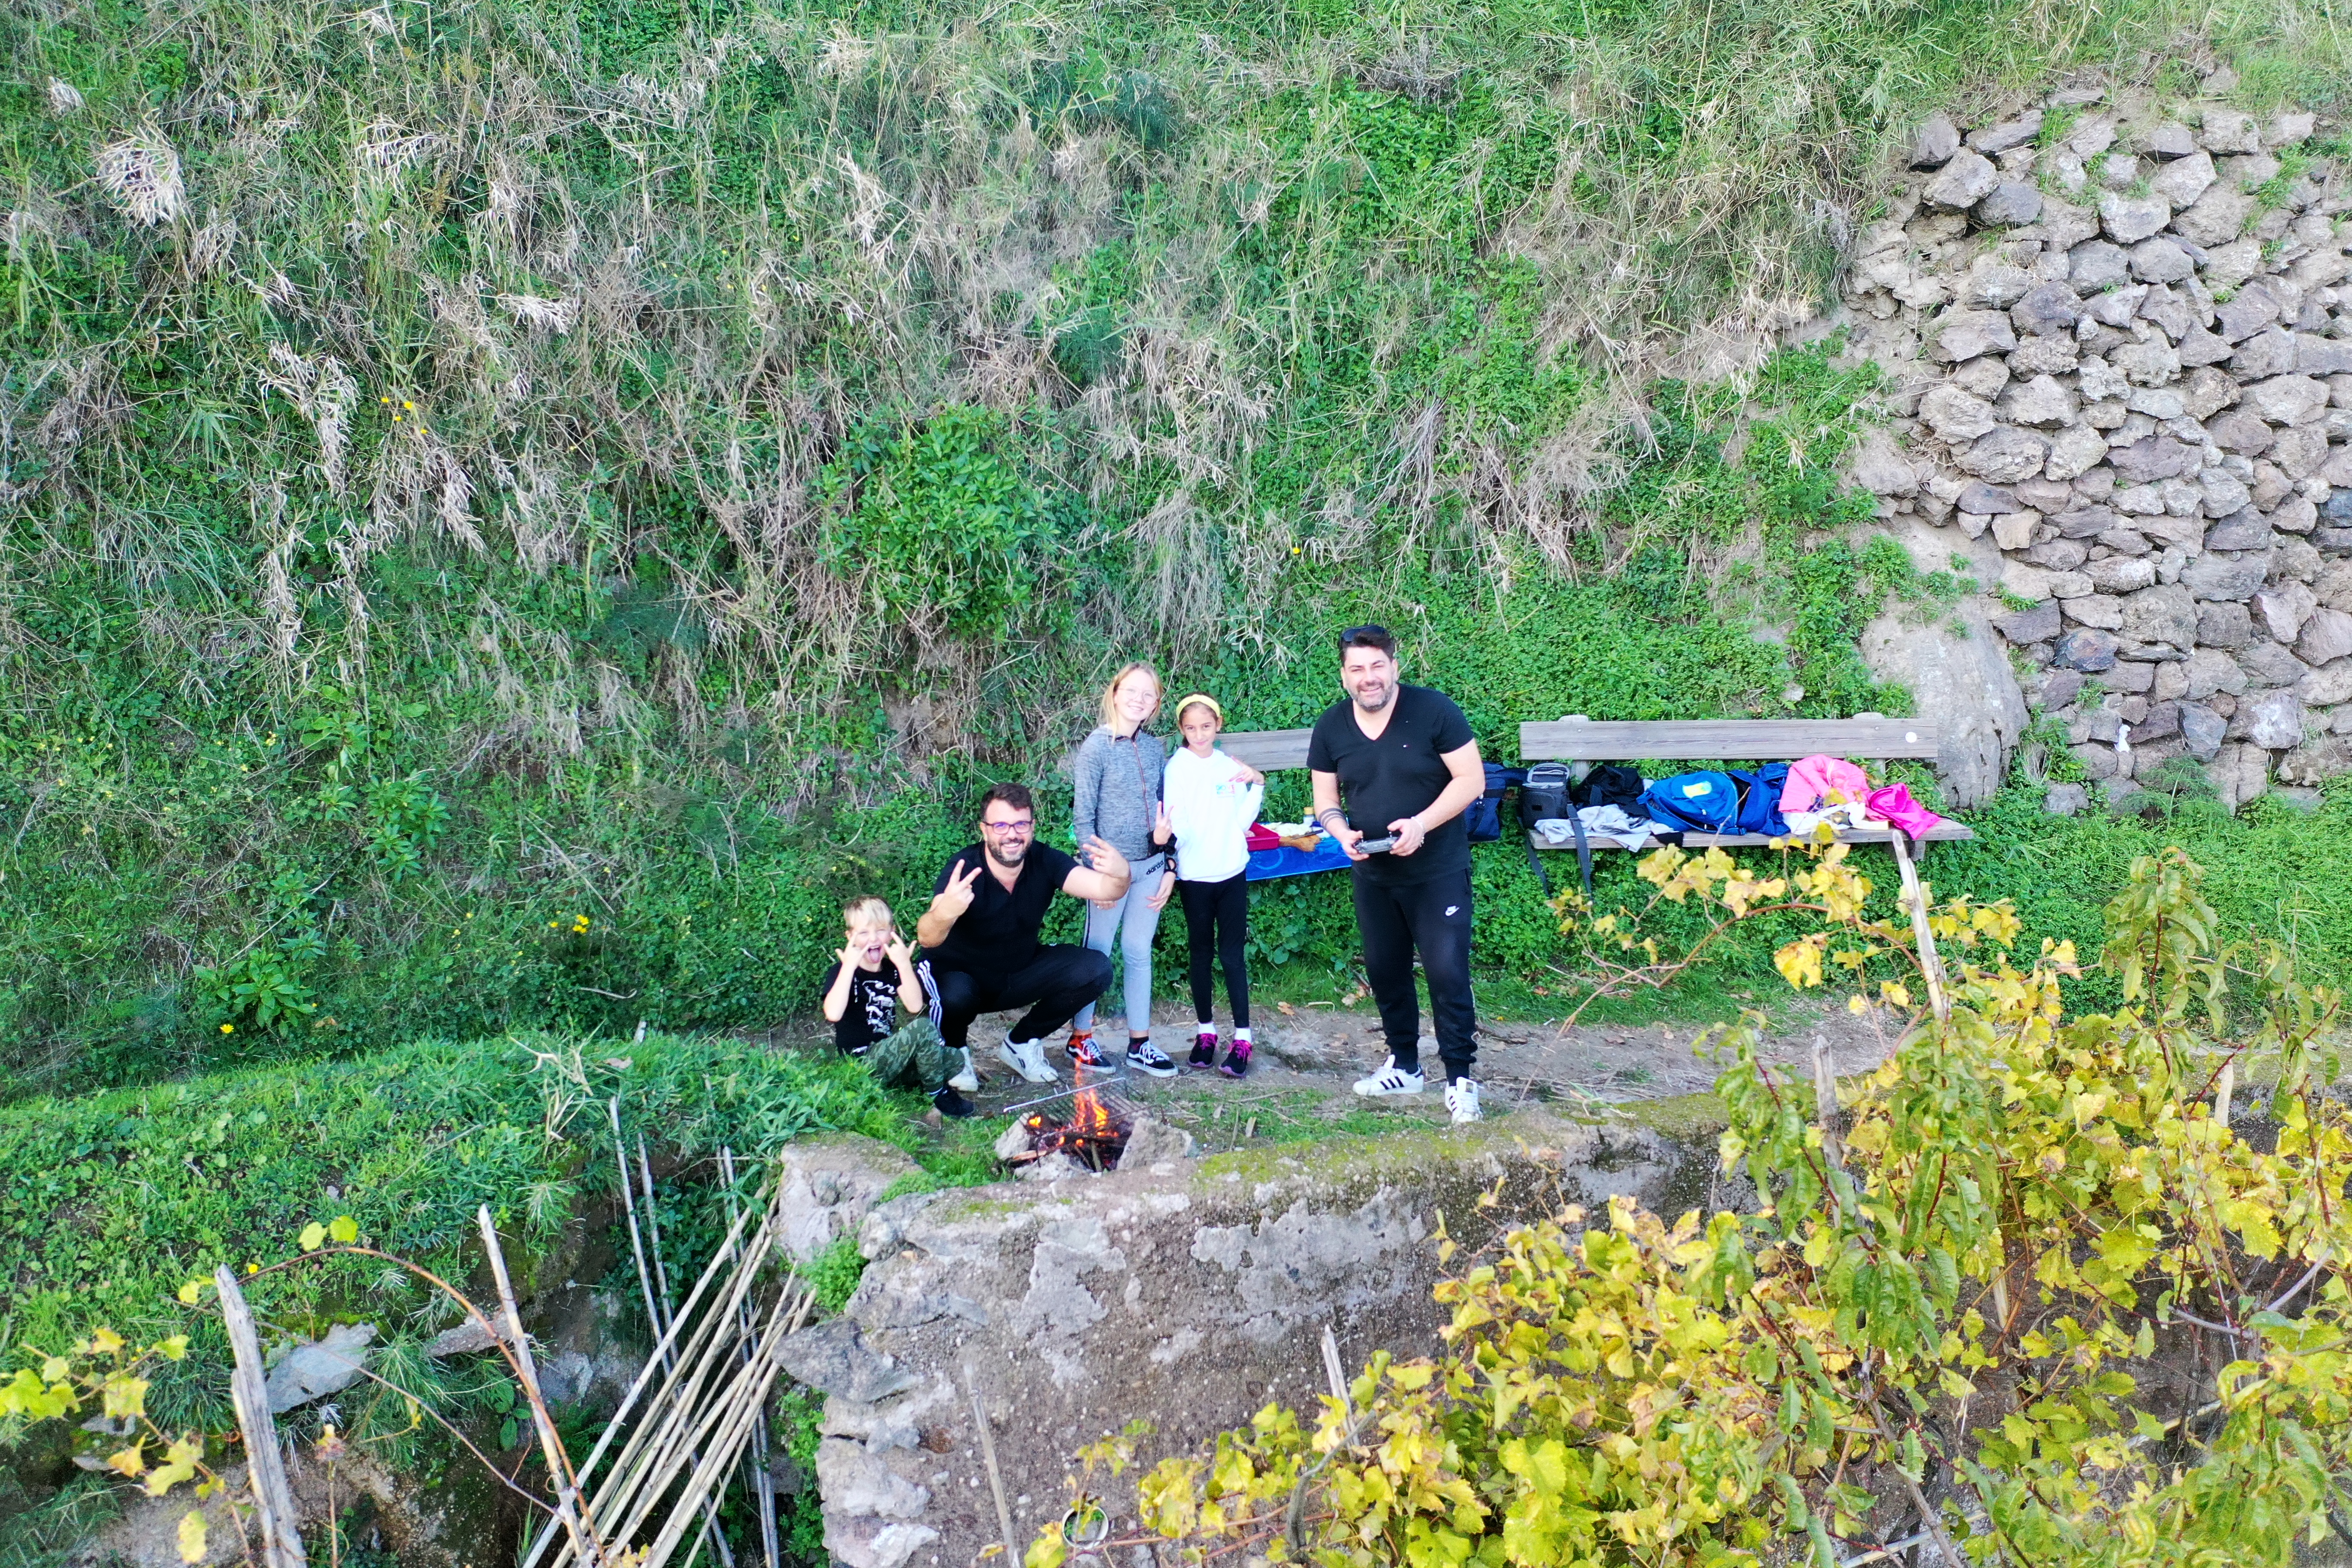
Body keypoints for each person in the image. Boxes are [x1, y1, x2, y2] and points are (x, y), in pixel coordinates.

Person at [1306, 625, 1488, 1123]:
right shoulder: (1331, 727)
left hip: (1437, 871)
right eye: (1358, 669)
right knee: (1386, 972)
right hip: (1373, 874)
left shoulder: (1434, 711)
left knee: (1447, 972)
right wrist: (1339, 830)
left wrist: (1422, 824)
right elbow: (1326, 799)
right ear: (1344, 676)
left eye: (1377, 666)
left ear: (1394, 667)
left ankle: (1460, 1079)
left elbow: (1472, 780)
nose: (1369, 678)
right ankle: (1405, 1066)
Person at [916, 783, 1133, 1085]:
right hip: (960, 977)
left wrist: (1121, 874)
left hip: (1015, 971)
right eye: (1001, 825)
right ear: (985, 830)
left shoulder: (1044, 859)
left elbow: (1103, 888)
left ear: (1031, 827)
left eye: (1021, 824)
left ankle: (1020, 1044)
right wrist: (945, 912)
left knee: (1095, 969)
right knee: (955, 993)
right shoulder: (965, 867)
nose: (1012, 834)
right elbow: (927, 937)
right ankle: (954, 1052)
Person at [1068, 663, 1179, 1077]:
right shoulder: (1096, 747)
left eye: (1148, 694)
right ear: (1115, 694)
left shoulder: (1155, 749)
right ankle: (1080, 1038)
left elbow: (1168, 817)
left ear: (1156, 703)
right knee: (1097, 952)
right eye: (1131, 691)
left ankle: (1140, 1043)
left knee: (1138, 953)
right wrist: (1094, 875)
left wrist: (1171, 865)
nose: (1138, 699)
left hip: (1150, 868)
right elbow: (1083, 820)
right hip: (1110, 873)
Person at [1162, 694, 1262, 1077]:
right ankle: (1205, 1033)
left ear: (1218, 725)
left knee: (1233, 956)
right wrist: (1179, 857)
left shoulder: (1228, 766)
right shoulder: (1177, 769)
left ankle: (1243, 1038)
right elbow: (1179, 822)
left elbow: (1241, 821)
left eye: (1206, 727)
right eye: (1191, 728)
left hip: (1232, 872)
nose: (1199, 734)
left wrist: (1257, 785)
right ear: (1182, 731)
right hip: (1195, 878)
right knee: (1200, 954)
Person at [818, 895, 978, 1118]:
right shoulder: (841, 972)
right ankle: (939, 1094)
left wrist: (904, 964)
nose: (873, 938)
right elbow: (833, 1014)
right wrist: (849, 967)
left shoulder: (892, 967)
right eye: (863, 933)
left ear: (892, 932)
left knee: (954, 1058)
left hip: (889, 1056)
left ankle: (909, 1084)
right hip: (861, 1062)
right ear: (850, 937)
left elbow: (914, 1006)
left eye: (881, 930)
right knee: (923, 1028)